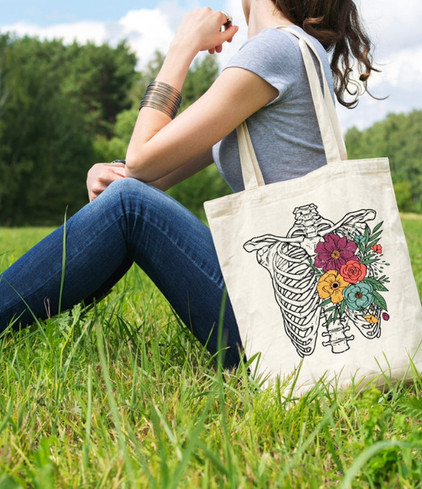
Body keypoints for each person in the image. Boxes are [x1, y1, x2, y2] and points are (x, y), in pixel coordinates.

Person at [0, 0, 377, 368]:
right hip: (290, 312)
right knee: (126, 197)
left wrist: (182, 48)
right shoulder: (294, 52)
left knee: (129, 205)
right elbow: (148, 171)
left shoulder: (275, 49)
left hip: (277, 331)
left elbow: (142, 161)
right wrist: (112, 174)